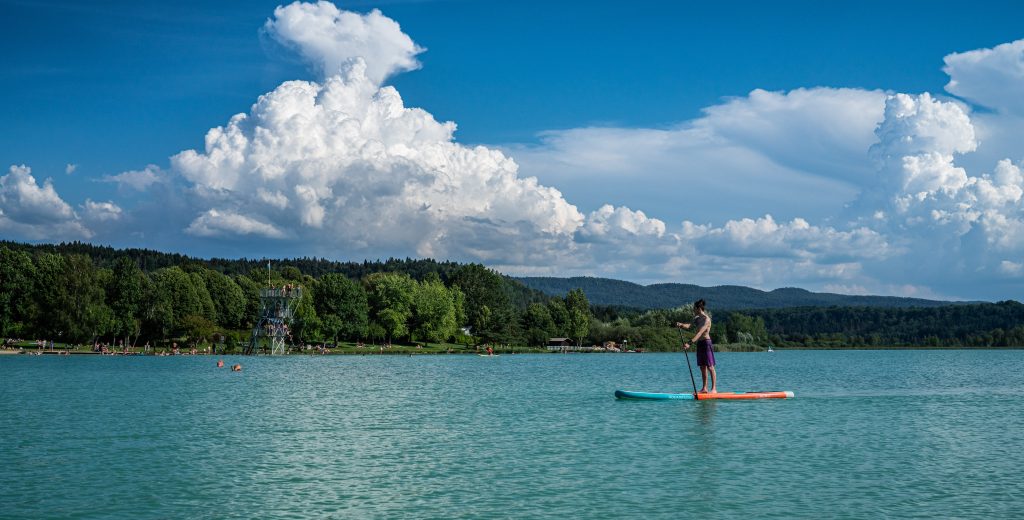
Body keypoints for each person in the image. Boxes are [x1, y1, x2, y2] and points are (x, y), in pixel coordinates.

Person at [676, 299, 717, 394]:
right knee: (702, 367)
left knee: (710, 366)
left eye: (694, 308)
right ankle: (704, 388)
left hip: (706, 343)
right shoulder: (696, 317)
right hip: (700, 344)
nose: (693, 310)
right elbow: (689, 326)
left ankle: (714, 388)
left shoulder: (707, 319)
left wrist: (689, 343)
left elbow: (700, 333)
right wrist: (681, 325)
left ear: (699, 308)